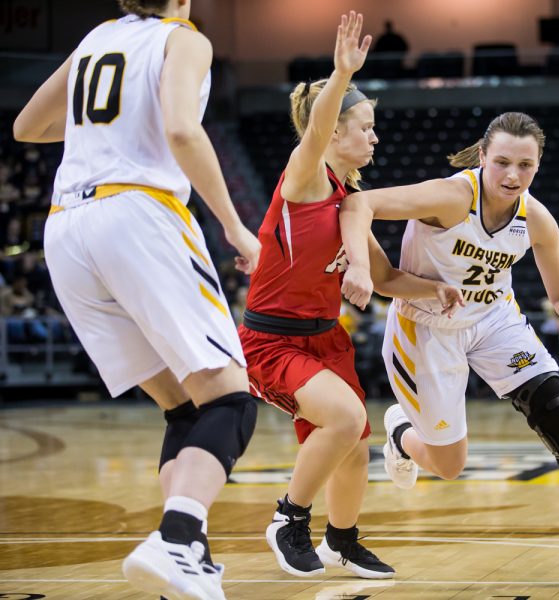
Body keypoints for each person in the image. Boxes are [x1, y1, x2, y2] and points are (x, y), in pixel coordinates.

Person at [339, 111, 559, 584]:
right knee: (448, 465)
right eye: (502, 162)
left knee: (558, 410)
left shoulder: (536, 219)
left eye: (525, 165)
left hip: (493, 319)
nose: (512, 175)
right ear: (482, 157)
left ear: (538, 165)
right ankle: (401, 431)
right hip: (426, 327)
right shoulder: (449, 197)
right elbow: (356, 205)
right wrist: (360, 267)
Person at [14, 1, 262, 598]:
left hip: (66, 227)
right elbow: (182, 130)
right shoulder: (185, 38)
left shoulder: (97, 36)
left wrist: (109, 129)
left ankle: (189, 549)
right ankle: (176, 539)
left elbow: (27, 126)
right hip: (138, 213)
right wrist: (233, 224)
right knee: (231, 398)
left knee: (183, 406)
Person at [237, 12, 463, 581]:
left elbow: (385, 280)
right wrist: (340, 76)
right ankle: (289, 519)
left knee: (355, 445)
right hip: (272, 341)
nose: (374, 135)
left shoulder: (347, 201)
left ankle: (342, 539)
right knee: (345, 418)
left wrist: (435, 288)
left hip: (325, 340)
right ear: (334, 130)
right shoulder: (305, 179)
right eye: (363, 126)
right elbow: (313, 134)